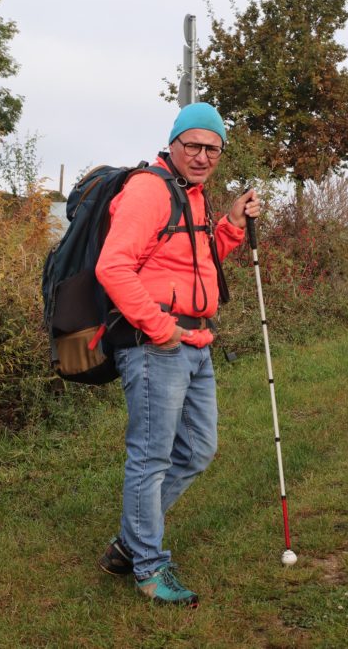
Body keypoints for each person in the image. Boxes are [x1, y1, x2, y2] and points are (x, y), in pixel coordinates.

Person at [95, 102, 260, 606]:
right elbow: (113, 267)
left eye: (213, 148)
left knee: (197, 450)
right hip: (156, 346)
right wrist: (160, 328)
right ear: (173, 143)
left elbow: (195, 262)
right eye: (194, 144)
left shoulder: (195, 196)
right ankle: (148, 567)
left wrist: (229, 224)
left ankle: (129, 542)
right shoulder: (149, 190)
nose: (203, 155)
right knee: (151, 459)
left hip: (195, 345)